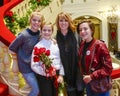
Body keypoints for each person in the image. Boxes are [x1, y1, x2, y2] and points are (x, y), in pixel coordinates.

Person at [9, 11, 44, 96]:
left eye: (39, 21)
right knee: (36, 90)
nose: (36, 23)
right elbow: (11, 48)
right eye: (34, 20)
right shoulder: (24, 35)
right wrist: (20, 59)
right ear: (30, 20)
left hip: (36, 66)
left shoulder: (40, 34)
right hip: (26, 68)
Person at [77, 20, 113, 96]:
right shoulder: (82, 44)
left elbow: (108, 68)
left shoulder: (100, 45)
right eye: (80, 30)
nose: (82, 31)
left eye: (85, 29)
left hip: (100, 86)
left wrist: (91, 76)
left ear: (92, 30)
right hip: (88, 84)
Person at [31, 22, 65, 96]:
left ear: (52, 32)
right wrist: (45, 72)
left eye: (49, 30)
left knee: (56, 94)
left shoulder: (56, 44)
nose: (47, 32)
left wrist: (61, 75)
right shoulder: (37, 46)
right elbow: (34, 65)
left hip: (56, 74)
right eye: (44, 30)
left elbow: (61, 61)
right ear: (41, 31)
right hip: (44, 77)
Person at [56, 12, 80, 96]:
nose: (63, 23)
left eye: (66, 20)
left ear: (69, 21)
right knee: (69, 92)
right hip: (64, 69)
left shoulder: (75, 34)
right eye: (61, 20)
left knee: (80, 89)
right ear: (58, 22)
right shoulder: (56, 37)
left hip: (77, 67)